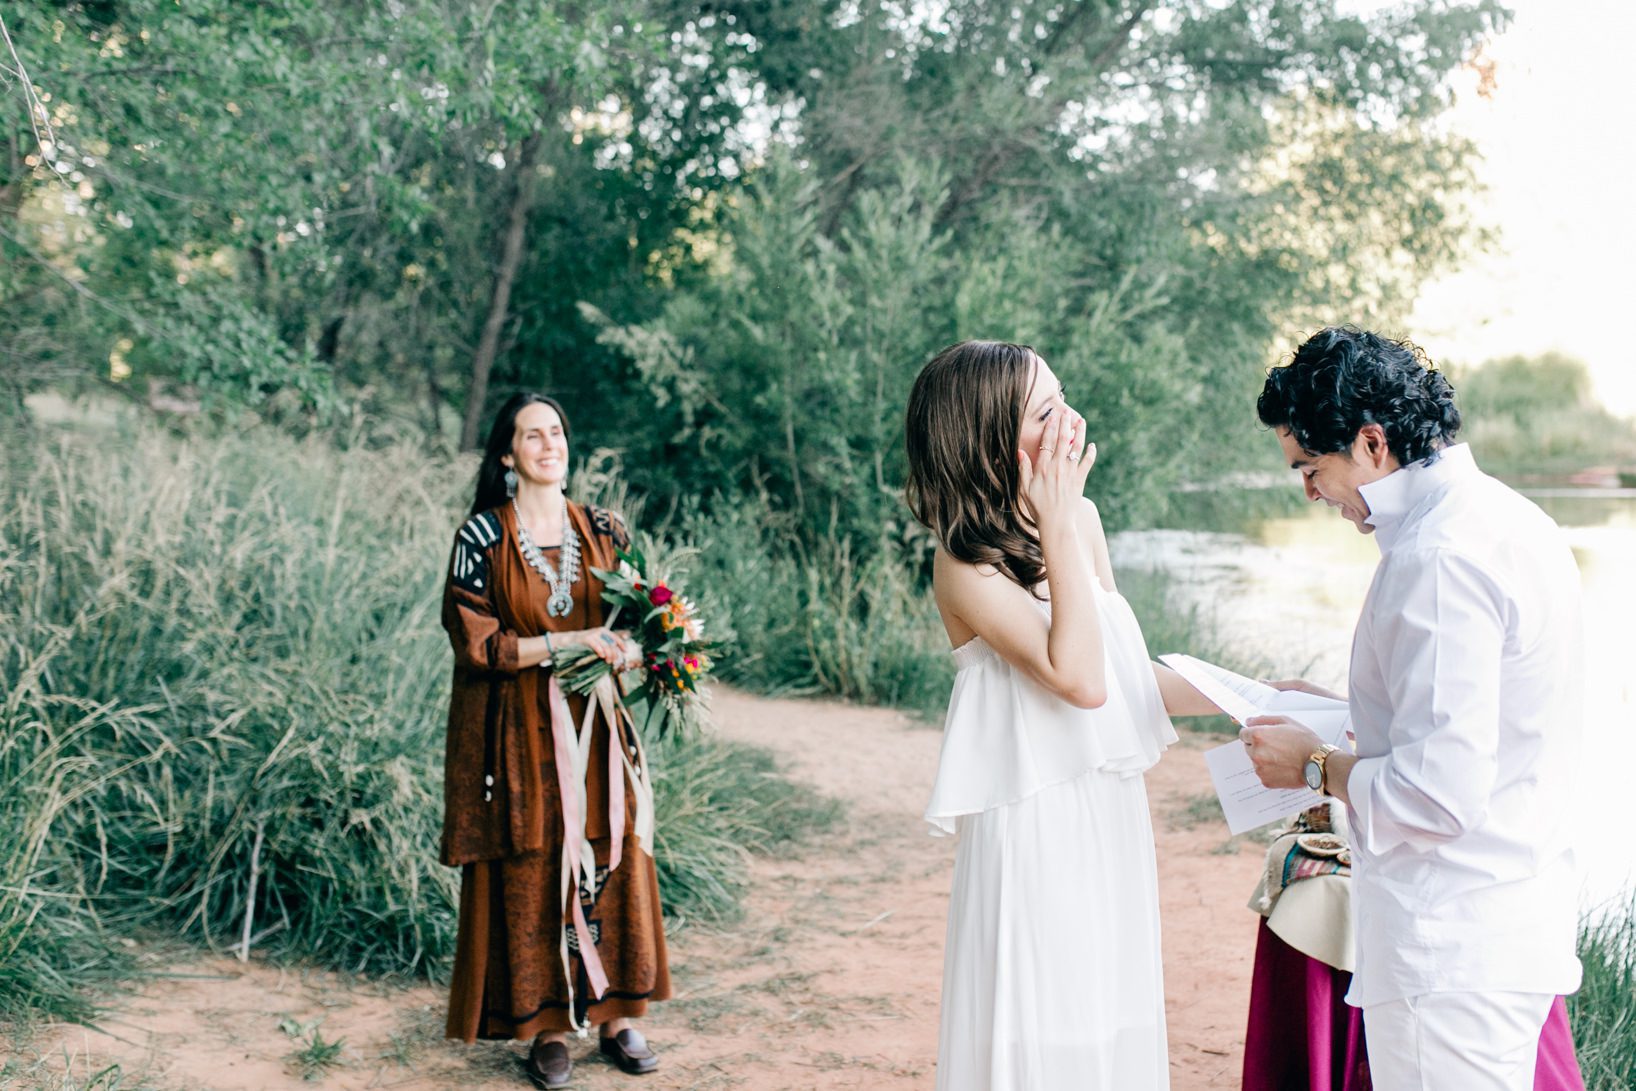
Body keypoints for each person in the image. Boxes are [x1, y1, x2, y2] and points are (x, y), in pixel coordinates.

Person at [1240, 327, 1585, 1091]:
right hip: (1506, 916)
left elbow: (1437, 794)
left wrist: (1312, 762)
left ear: (1370, 442)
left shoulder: (1438, 558)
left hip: (1453, 946)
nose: (1308, 490)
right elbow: (1486, 725)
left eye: (1310, 466)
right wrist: (1343, 711)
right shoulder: (1508, 519)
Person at [905, 340, 1219, 1090]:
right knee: (1044, 1016)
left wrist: (1249, 694)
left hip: (1106, 810)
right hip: (1034, 824)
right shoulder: (964, 563)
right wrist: (1054, 521)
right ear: (991, 439)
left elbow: (1122, 677)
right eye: (1045, 410)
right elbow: (1076, 678)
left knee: (1107, 1006)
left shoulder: (1082, 521)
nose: (1071, 419)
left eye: (1063, 396)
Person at [439, 392, 670, 1089]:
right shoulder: (481, 538)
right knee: (533, 857)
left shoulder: (605, 529)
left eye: (557, 432)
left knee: (614, 852)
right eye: (531, 435)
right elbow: (477, 644)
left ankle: (618, 1015)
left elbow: (642, 619)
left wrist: (631, 649)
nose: (549, 444)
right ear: (507, 455)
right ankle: (542, 1026)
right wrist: (570, 641)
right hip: (518, 730)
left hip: (598, 728)